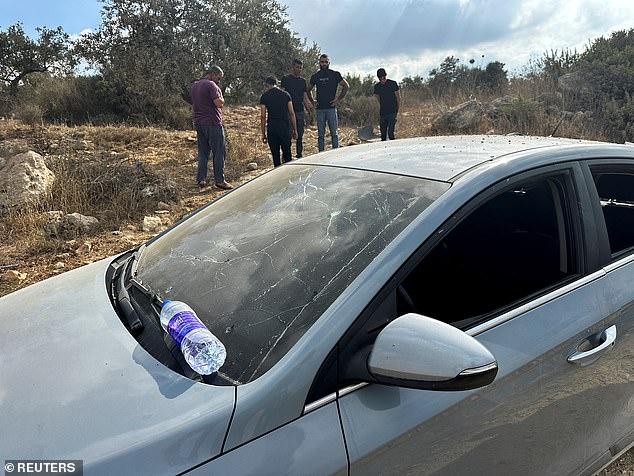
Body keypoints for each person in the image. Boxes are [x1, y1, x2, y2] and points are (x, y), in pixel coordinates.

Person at [190, 65, 233, 190]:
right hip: (212, 122)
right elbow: (218, 103)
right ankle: (220, 180)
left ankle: (201, 179)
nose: (219, 81)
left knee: (203, 152)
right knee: (219, 151)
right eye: (218, 78)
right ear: (213, 74)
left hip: (199, 122)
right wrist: (222, 98)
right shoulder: (211, 85)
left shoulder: (195, 86)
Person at [308, 54, 349, 152]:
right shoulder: (316, 76)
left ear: (329, 63)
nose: (324, 64)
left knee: (334, 134)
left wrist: (338, 99)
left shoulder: (335, 74)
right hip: (320, 109)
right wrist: (312, 101)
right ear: (319, 63)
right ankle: (321, 155)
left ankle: (335, 154)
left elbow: (346, 86)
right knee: (320, 135)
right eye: (322, 62)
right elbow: (308, 89)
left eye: (326, 62)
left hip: (331, 108)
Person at [260, 76, 298, 167]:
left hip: (272, 128)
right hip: (284, 127)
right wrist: (295, 130)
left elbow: (262, 116)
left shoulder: (264, 96)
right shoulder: (286, 95)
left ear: (267, 84)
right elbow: (292, 113)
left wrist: (263, 133)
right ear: (276, 83)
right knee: (287, 155)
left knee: (275, 156)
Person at [281, 59, 313, 158]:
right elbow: (282, 95)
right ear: (293, 67)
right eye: (297, 67)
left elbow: (304, 97)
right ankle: (287, 156)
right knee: (288, 134)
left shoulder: (302, 81)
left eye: (300, 68)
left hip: (299, 111)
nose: (298, 69)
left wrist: (309, 111)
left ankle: (299, 155)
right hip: (288, 111)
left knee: (300, 134)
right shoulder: (285, 79)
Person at [373, 68, 401, 141]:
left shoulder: (393, 84)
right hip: (383, 112)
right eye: (380, 78)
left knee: (390, 132)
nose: (382, 80)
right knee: (383, 134)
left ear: (385, 76)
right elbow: (378, 98)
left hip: (393, 111)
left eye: (383, 78)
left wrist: (398, 109)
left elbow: (398, 97)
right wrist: (382, 105)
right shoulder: (377, 87)